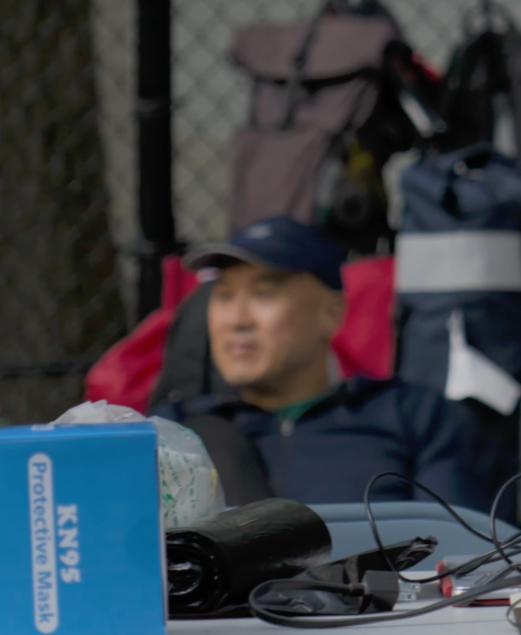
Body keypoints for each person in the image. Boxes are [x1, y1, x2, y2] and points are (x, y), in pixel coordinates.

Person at [154, 217, 493, 512]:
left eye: (263, 294)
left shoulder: (413, 417)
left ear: (331, 313)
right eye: (225, 295)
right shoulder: (176, 432)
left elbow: (457, 560)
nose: (237, 320)